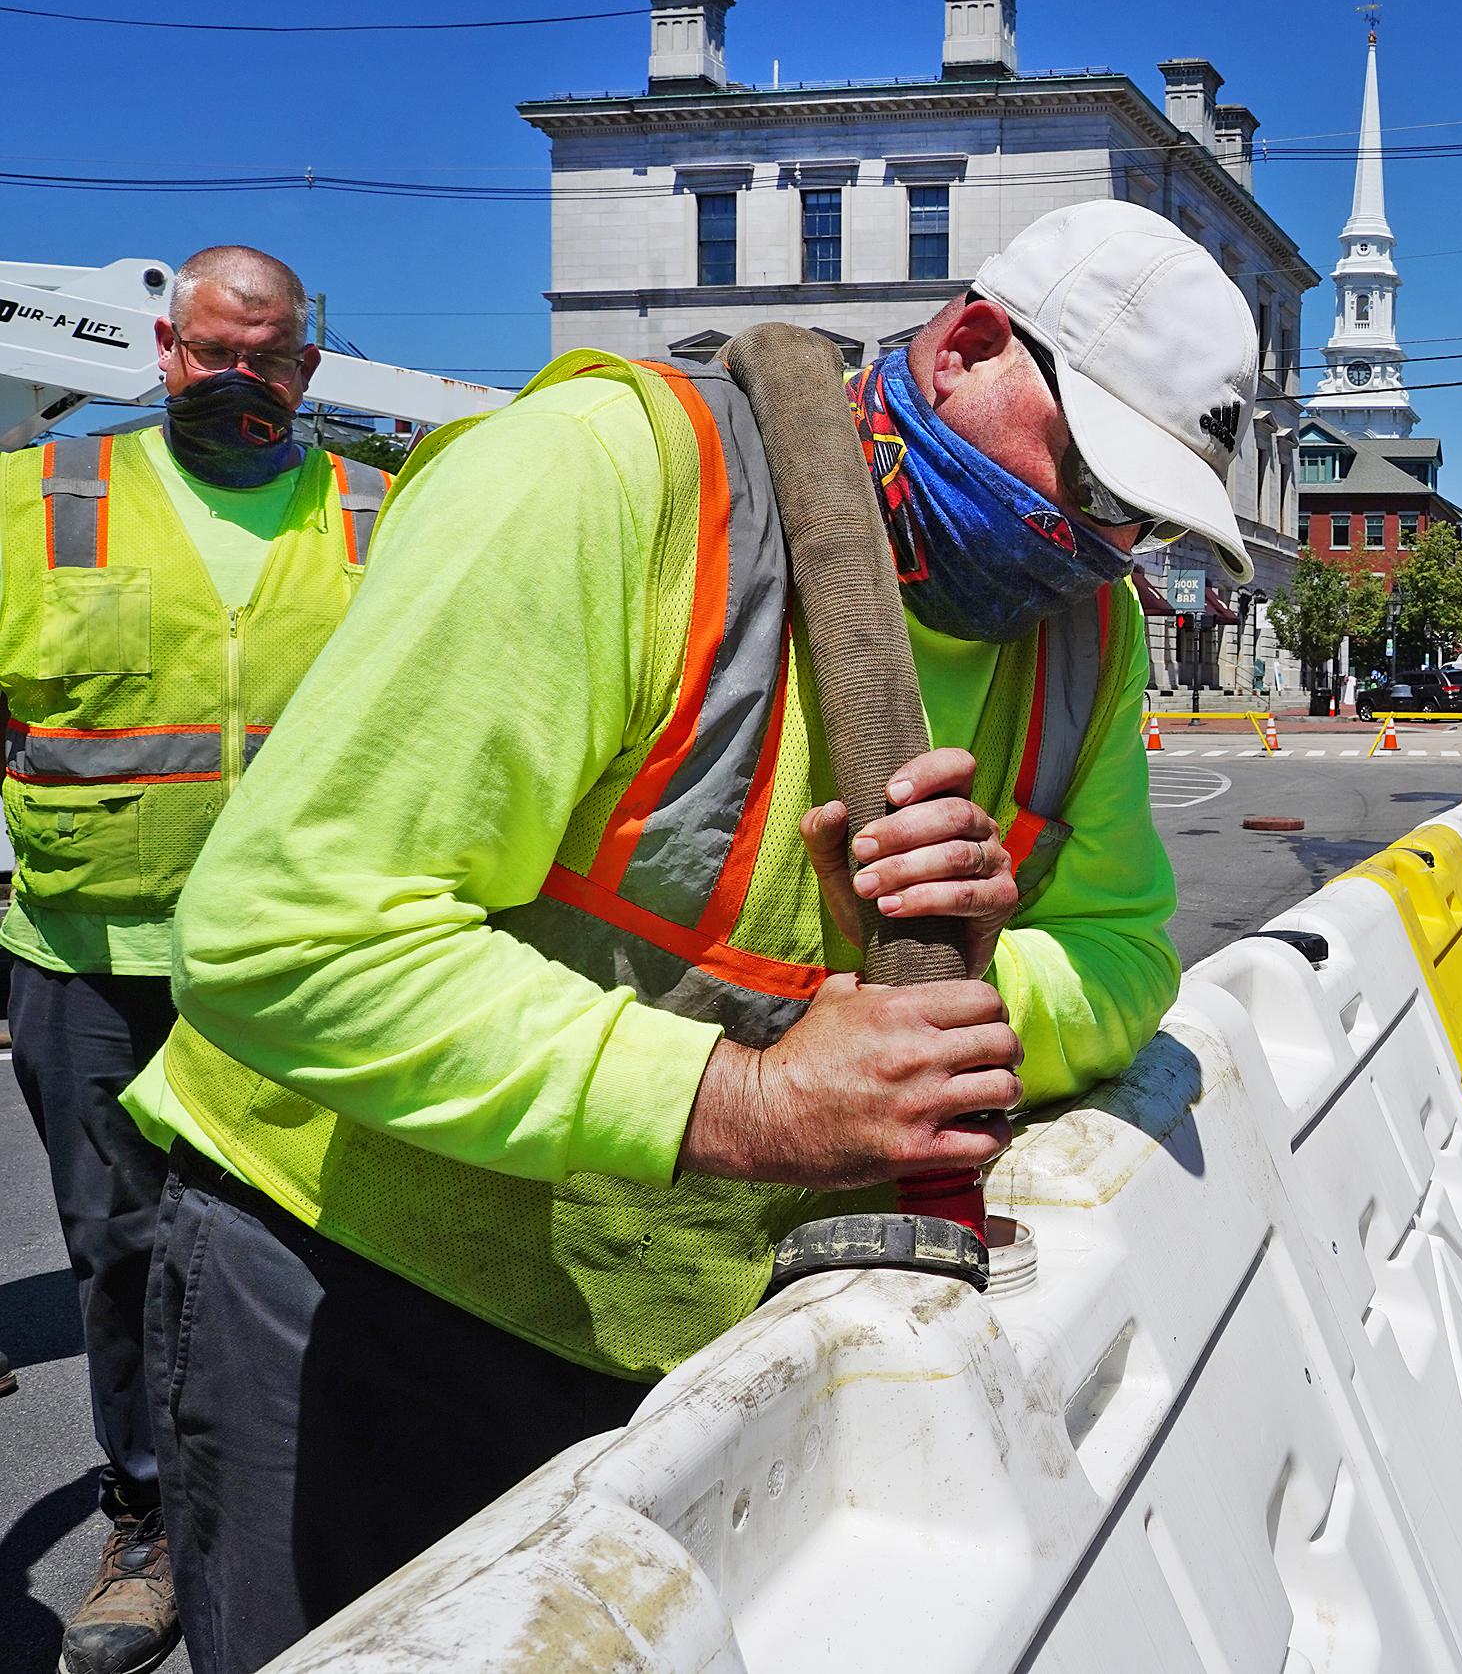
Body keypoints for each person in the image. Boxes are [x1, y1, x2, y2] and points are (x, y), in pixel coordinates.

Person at [121, 200, 1252, 1671]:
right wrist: (764, 1098)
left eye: (1149, 520)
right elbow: (290, 939)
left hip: (705, 1340)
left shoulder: (1082, 637)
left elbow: (1124, 957)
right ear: (971, 341)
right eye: (1094, 481)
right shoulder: (611, 478)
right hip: (365, 1282)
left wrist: (971, 989)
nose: (1104, 543)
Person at [2, 245, 386, 1674]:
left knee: (317, 1245)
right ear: (165, 350)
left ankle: (321, 1511)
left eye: (268, 359)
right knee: (120, 1257)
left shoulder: (373, 514)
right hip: (88, 958)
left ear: (308, 368)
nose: (239, 382)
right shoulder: (42, 501)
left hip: (301, 962)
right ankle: (150, 1526)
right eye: (214, 354)